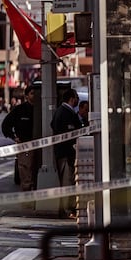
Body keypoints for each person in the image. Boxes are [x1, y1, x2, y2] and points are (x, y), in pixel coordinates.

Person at [1, 85, 41, 192]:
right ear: (27, 96)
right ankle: (27, 200)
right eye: (32, 93)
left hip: (41, 145)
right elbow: (5, 125)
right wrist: (14, 137)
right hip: (24, 145)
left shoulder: (41, 109)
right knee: (26, 172)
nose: (34, 95)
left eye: (35, 93)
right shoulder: (20, 110)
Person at [51, 88, 83, 218]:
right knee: (67, 182)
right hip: (66, 154)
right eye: (76, 97)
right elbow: (67, 133)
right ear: (71, 98)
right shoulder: (65, 113)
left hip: (64, 153)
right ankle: (67, 210)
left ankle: (65, 209)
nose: (78, 100)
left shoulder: (62, 112)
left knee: (68, 181)